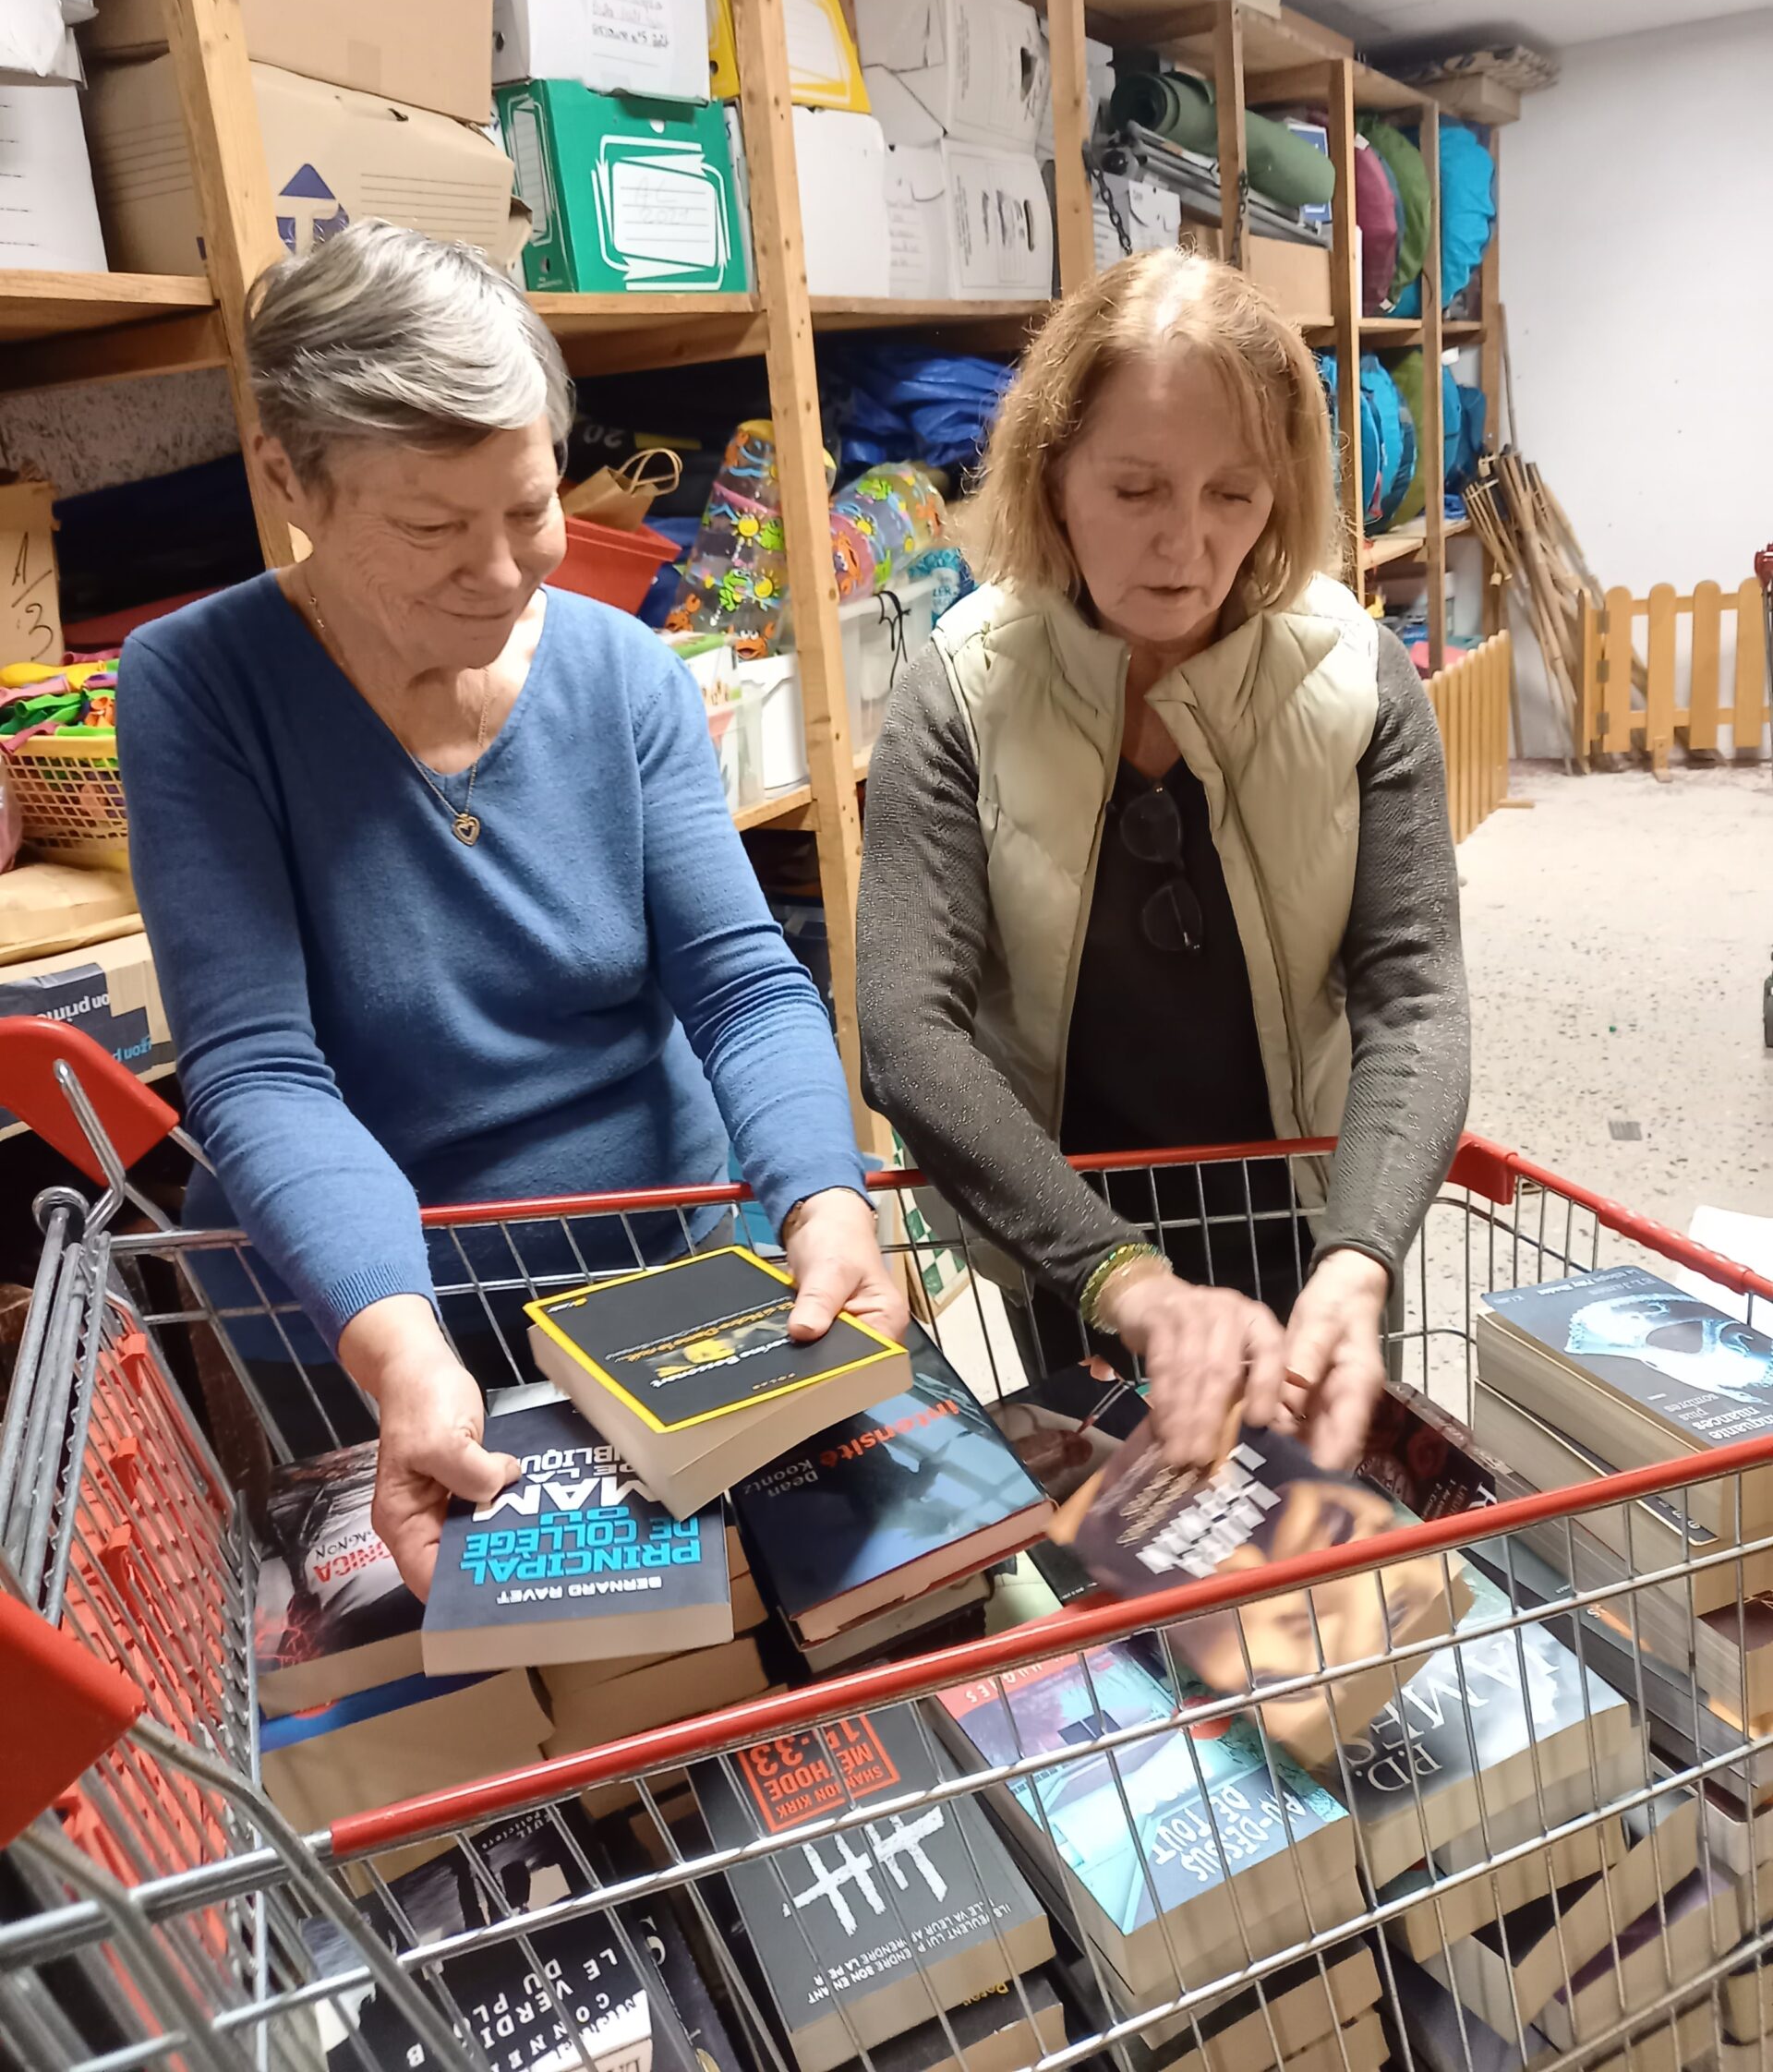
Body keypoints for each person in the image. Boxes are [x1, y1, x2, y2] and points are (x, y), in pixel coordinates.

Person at [118, 222, 903, 1596]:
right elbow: (257, 1070)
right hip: (364, 1322)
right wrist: (404, 1345)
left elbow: (743, 985)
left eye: (530, 507)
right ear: (286, 478)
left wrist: (820, 1191)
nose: (502, 570)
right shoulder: (199, 687)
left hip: (668, 1285)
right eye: (431, 527)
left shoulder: (626, 676)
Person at [856, 248, 1468, 1475]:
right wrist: (1114, 1274)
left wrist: (1360, 1257)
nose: (1186, 544)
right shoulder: (957, 694)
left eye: (1234, 495)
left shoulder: (1358, 679)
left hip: (1311, 1217)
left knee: (1326, 1577)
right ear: (1052, 471)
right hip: (1068, 1234)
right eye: (1135, 489)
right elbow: (908, 1029)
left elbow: (1416, 997)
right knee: (1118, 1571)